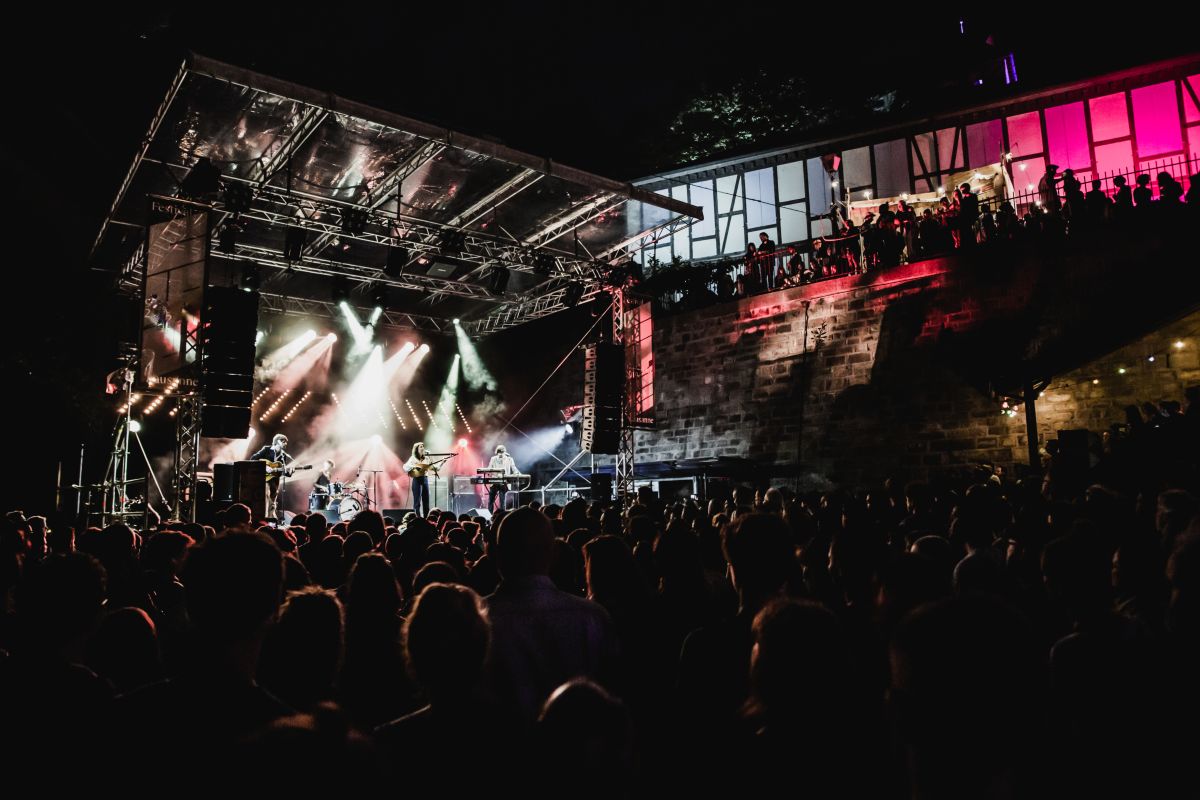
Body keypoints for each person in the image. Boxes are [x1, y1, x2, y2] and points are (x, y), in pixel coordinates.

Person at [250, 434, 295, 523]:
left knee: (273, 500)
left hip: (275, 481)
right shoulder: (267, 449)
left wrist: (289, 473)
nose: (285, 443)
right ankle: (263, 519)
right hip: (264, 479)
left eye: (286, 442)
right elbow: (253, 458)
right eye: (283, 441)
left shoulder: (283, 456)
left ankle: (271, 520)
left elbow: (281, 471)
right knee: (266, 497)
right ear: (277, 441)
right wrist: (265, 466)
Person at [403, 442, 436, 519]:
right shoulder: (413, 458)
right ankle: (417, 518)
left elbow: (433, 467)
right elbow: (405, 467)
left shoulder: (427, 458)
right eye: (421, 447)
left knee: (426, 501)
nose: (423, 448)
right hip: (417, 479)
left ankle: (426, 519)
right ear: (417, 449)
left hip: (425, 479)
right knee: (417, 502)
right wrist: (415, 466)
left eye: (423, 446)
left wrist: (441, 462)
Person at [487, 445, 520, 514]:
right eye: (499, 452)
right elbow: (489, 469)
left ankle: (502, 515)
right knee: (491, 500)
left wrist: (518, 474)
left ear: (504, 452)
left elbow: (514, 468)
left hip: (504, 482)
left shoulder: (509, 459)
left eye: (502, 452)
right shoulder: (493, 459)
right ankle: (489, 515)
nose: (500, 454)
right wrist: (490, 473)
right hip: (494, 481)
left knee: (502, 501)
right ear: (497, 452)